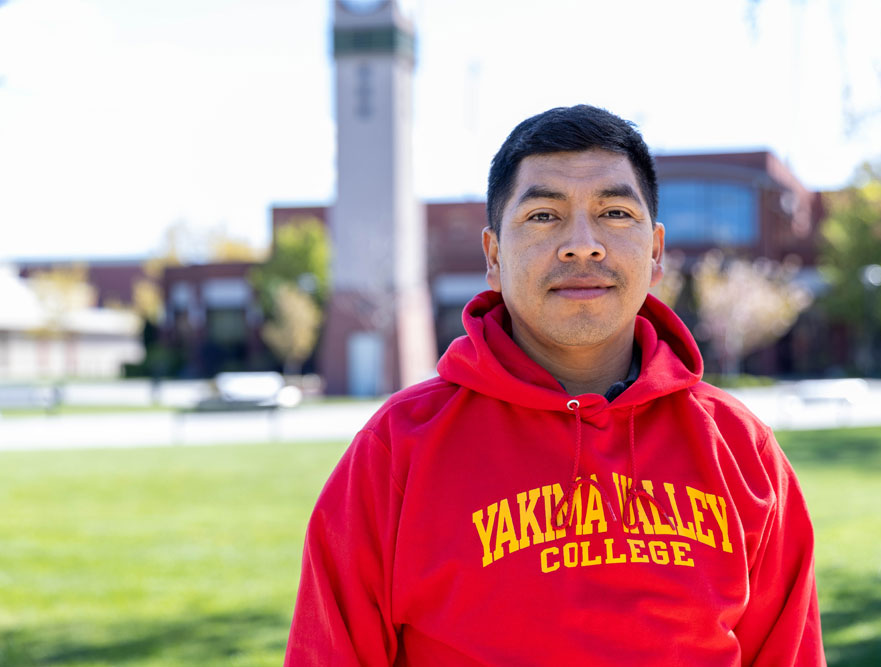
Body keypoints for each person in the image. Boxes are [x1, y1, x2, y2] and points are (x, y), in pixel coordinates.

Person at [284, 105, 826, 665]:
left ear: (657, 251)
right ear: (494, 256)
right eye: (544, 216)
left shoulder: (742, 453)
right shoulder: (396, 450)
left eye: (615, 212)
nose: (583, 245)